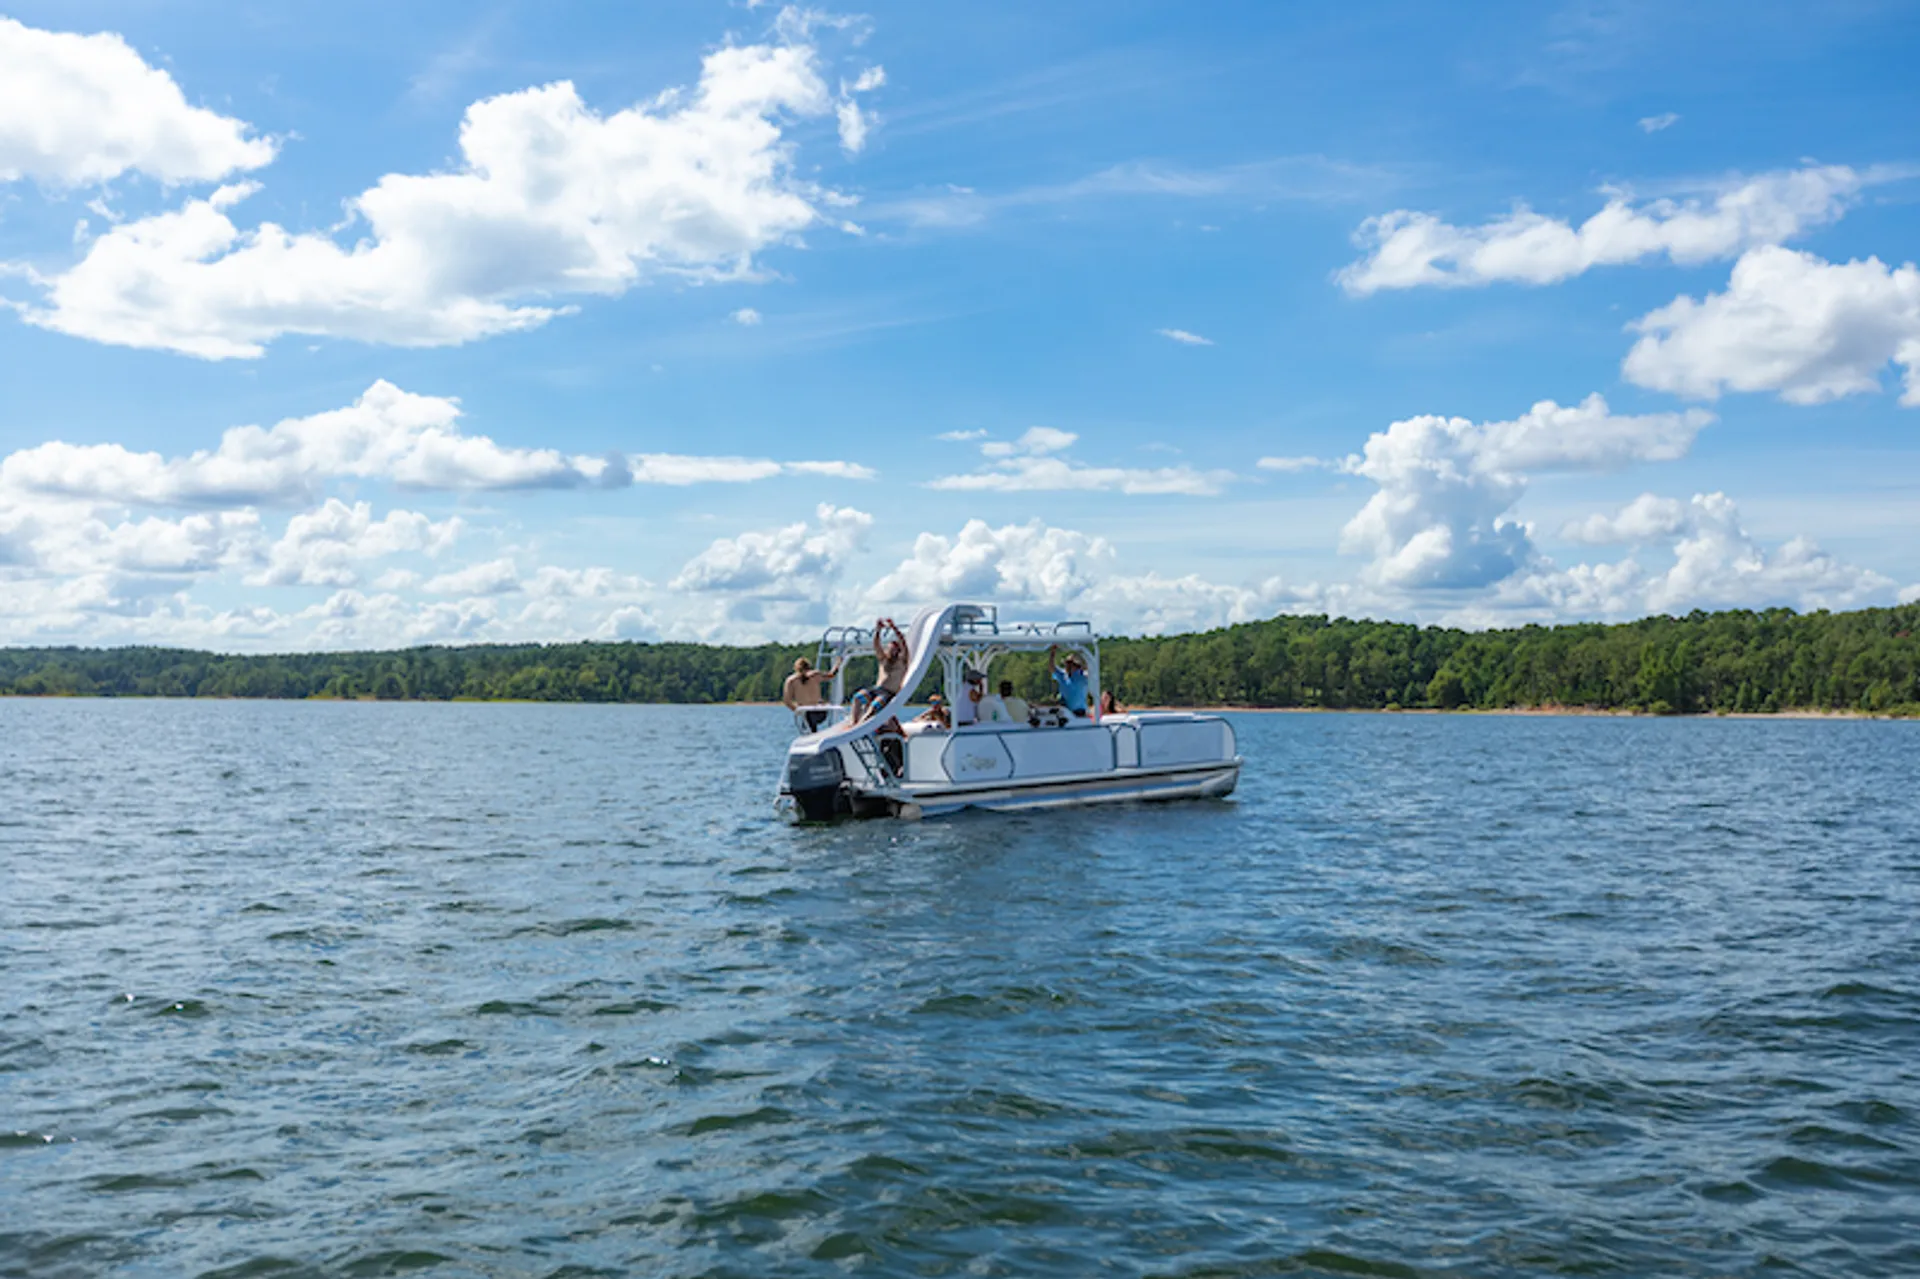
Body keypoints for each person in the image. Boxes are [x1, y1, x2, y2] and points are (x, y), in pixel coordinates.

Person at [848, 618, 910, 724]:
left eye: (894, 648)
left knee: (874, 706)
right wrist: (878, 630)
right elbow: (876, 645)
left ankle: (861, 723)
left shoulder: (901, 661)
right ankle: (853, 722)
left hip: (889, 693)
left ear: (898, 650)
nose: (891, 650)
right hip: (877, 689)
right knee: (857, 697)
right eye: (889, 648)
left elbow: (903, 644)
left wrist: (894, 628)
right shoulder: (884, 659)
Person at [782, 655, 842, 731]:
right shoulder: (815, 675)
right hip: (819, 712)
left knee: (808, 722)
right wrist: (838, 663)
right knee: (812, 717)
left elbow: (787, 701)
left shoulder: (791, 681)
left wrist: (798, 710)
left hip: (806, 712)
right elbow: (832, 674)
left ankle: (812, 731)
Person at [1049, 645, 1091, 718]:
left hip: (1080, 712)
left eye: (1071, 664)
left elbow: (1091, 671)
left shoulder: (1082, 676)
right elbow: (1052, 667)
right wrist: (1053, 653)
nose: (1068, 666)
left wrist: (1084, 655)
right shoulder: (1062, 675)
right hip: (1066, 713)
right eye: (1067, 663)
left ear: (1077, 666)